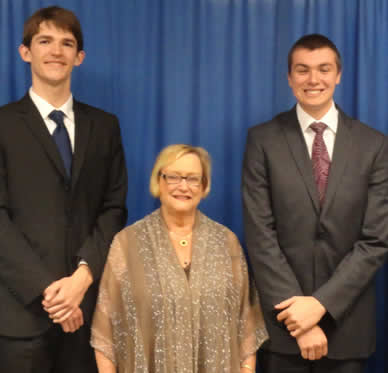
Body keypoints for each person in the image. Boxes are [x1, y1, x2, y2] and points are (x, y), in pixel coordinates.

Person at [242, 33, 388, 373]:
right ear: (289, 77)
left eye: (324, 69)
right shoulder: (262, 140)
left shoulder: (375, 145)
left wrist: (321, 305)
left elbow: (376, 240)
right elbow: (261, 235)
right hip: (284, 326)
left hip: (347, 325)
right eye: (302, 70)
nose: (313, 79)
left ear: (338, 74)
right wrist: (300, 319)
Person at [0, 6, 128, 373]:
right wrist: (50, 292)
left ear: (79, 56)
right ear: (26, 52)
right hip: (18, 317)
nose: (56, 51)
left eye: (66, 43)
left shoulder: (104, 127)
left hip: (87, 311)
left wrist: (81, 280)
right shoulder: (3, 125)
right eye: (45, 41)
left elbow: (113, 208)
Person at [91, 144, 267, 372]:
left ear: (204, 186)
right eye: (173, 177)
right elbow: (105, 330)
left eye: (193, 178)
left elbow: (247, 323)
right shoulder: (127, 243)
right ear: (158, 181)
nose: (183, 186)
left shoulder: (226, 242)